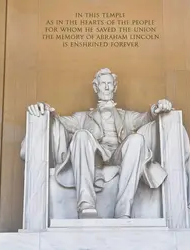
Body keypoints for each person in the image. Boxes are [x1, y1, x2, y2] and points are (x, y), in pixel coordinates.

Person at [26, 68, 174, 219]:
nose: (107, 87)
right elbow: (58, 121)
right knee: (81, 135)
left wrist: (157, 107)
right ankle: (85, 205)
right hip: (96, 156)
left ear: (115, 87)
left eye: (110, 84)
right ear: (96, 87)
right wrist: (44, 109)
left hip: (119, 155)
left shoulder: (126, 116)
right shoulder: (82, 117)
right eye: (103, 84)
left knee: (136, 139)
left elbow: (146, 118)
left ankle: (123, 211)